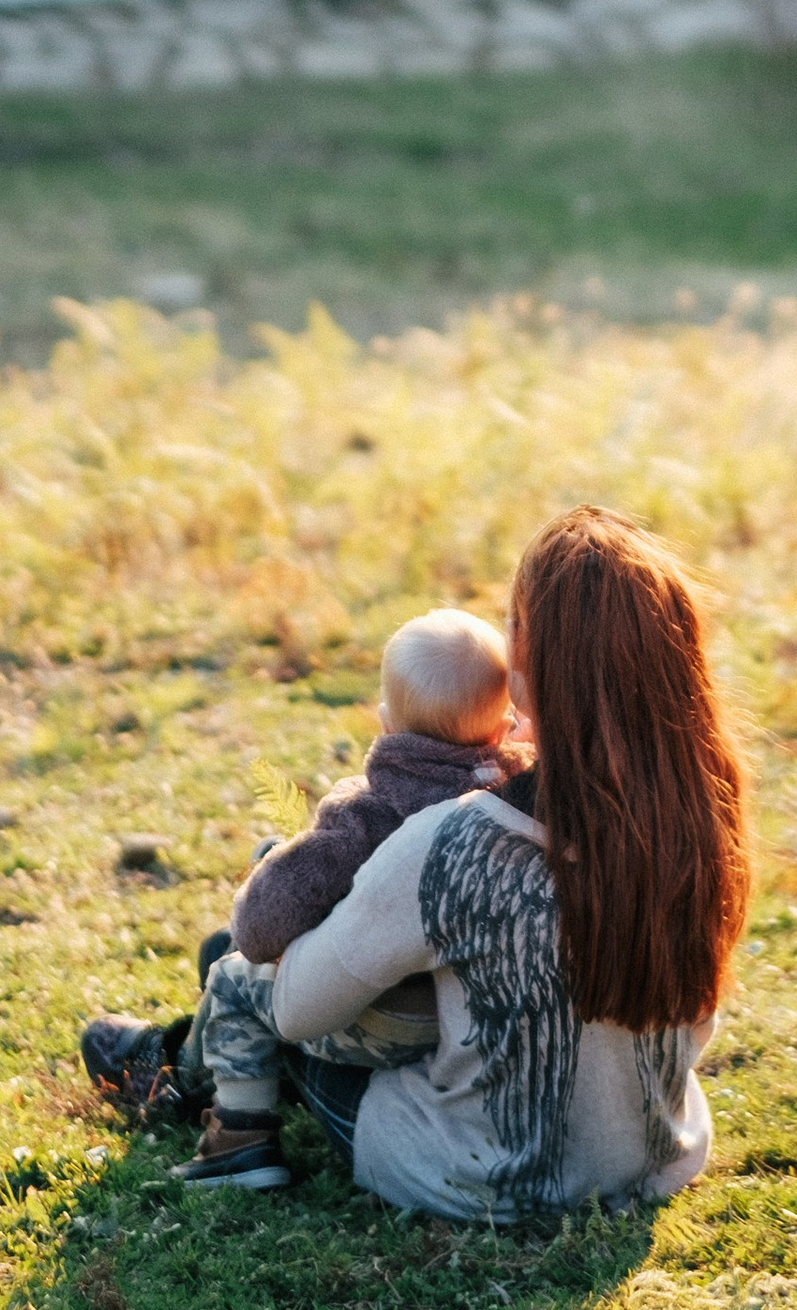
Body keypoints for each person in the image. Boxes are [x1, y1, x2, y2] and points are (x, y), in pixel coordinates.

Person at [85, 506, 751, 1221]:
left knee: (238, 958)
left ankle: (176, 1073)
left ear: (523, 685)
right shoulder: (703, 817)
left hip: (484, 1174)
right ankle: (182, 1055)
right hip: (652, 1154)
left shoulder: (456, 843)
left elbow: (300, 1008)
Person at [80, 604, 520, 1191]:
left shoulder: (367, 813)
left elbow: (260, 928)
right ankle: (182, 1060)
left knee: (234, 970)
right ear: (501, 726)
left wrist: (270, 872)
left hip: (386, 1018)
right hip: (463, 1022)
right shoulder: (518, 794)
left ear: (387, 722)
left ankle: (226, 1129)